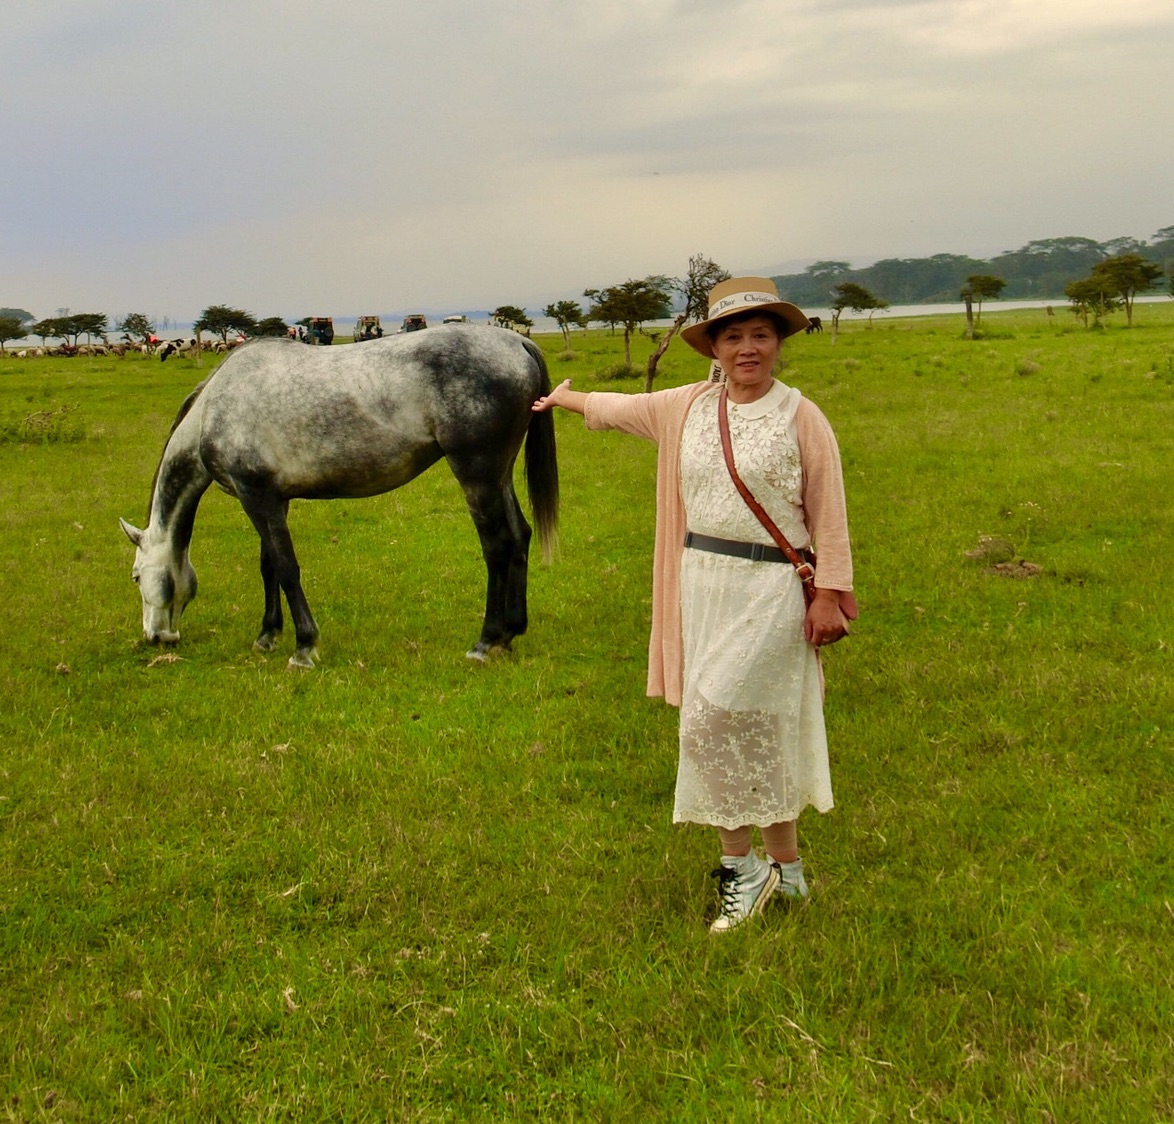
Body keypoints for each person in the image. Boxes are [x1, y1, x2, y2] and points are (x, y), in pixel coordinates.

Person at [532, 277, 856, 932]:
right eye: (732, 335)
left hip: (770, 593)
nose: (746, 348)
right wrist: (568, 400)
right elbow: (620, 408)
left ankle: (743, 870)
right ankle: (787, 872)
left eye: (759, 335)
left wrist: (830, 593)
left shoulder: (802, 416)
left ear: (779, 343)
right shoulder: (686, 407)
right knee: (756, 730)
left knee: (711, 726)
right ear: (713, 344)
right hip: (703, 586)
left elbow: (831, 513)